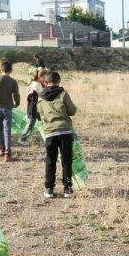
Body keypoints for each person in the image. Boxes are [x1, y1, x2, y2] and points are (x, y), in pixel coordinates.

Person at [37, 71, 77, 199]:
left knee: (50, 160)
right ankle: (67, 188)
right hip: (65, 132)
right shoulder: (63, 93)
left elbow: (39, 115)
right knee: (66, 160)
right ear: (59, 81)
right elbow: (72, 110)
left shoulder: (40, 97)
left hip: (50, 133)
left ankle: (49, 188)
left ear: (45, 82)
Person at [17, 69, 44, 145]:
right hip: (34, 107)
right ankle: (22, 138)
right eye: (44, 77)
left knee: (38, 122)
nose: (45, 78)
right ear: (39, 77)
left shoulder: (36, 83)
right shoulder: (36, 85)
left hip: (36, 107)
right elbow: (33, 98)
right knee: (31, 122)